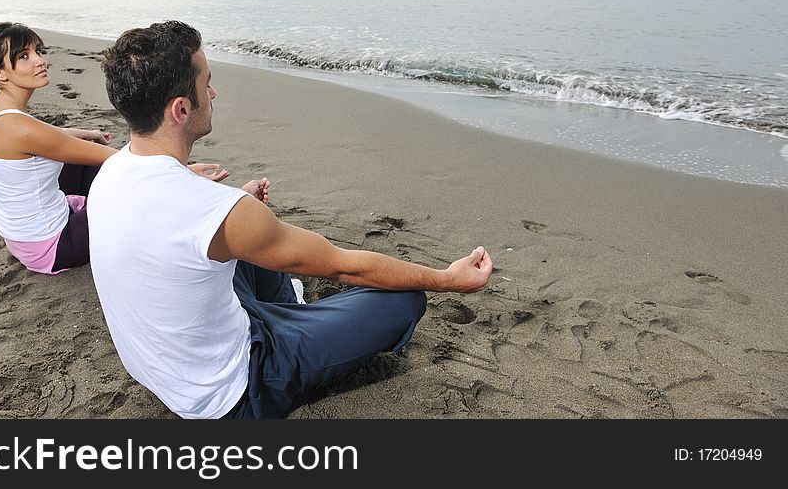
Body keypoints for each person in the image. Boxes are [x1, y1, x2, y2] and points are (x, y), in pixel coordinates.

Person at [89, 21, 494, 419]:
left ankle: (291, 310)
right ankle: (297, 325)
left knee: (245, 229)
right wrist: (447, 279)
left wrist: (238, 208)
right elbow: (340, 265)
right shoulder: (212, 208)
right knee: (405, 298)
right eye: (206, 84)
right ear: (181, 109)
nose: (213, 93)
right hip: (235, 390)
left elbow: (177, 229)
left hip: (166, 370)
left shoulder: (110, 174)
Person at [0, 22, 229, 274]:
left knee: (89, 157)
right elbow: (125, 162)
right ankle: (180, 197)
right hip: (51, 246)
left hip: (22, 234)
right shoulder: (21, 129)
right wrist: (184, 172)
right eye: (24, 57)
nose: (40, 61)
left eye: (38, 51)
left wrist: (85, 133)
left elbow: (45, 137)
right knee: (133, 184)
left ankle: (154, 188)